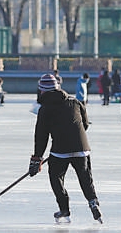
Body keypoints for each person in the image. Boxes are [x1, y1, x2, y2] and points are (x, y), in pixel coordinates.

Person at [30, 73, 102, 225]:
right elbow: (85, 124)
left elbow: (41, 136)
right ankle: (93, 202)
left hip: (60, 150)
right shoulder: (75, 101)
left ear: (42, 90)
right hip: (81, 148)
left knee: (56, 178)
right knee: (85, 177)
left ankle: (64, 209)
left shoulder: (45, 109)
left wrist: (37, 158)